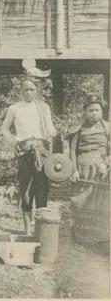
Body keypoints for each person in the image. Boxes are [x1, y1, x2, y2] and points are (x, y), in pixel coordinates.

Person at [1, 78, 57, 235]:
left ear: (37, 90)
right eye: (25, 89)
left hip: (41, 151)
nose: (28, 92)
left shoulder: (43, 107)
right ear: (20, 90)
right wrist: (15, 141)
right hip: (24, 151)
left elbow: (50, 128)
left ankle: (40, 229)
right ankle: (27, 231)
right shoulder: (14, 108)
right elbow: (4, 129)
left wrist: (51, 133)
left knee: (42, 189)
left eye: (32, 89)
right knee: (25, 191)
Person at [67, 94, 109, 250]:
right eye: (91, 110)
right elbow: (72, 151)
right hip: (82, 170)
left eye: (97, 110)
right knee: (80, 201)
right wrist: (74, 170)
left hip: (101, 171)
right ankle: (79, 239)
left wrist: (105, 164)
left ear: (101, 111)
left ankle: (98, 240)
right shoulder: (78, 130)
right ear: (85, 111)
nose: (94, 113)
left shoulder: (107, 128)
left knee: (99, 203)